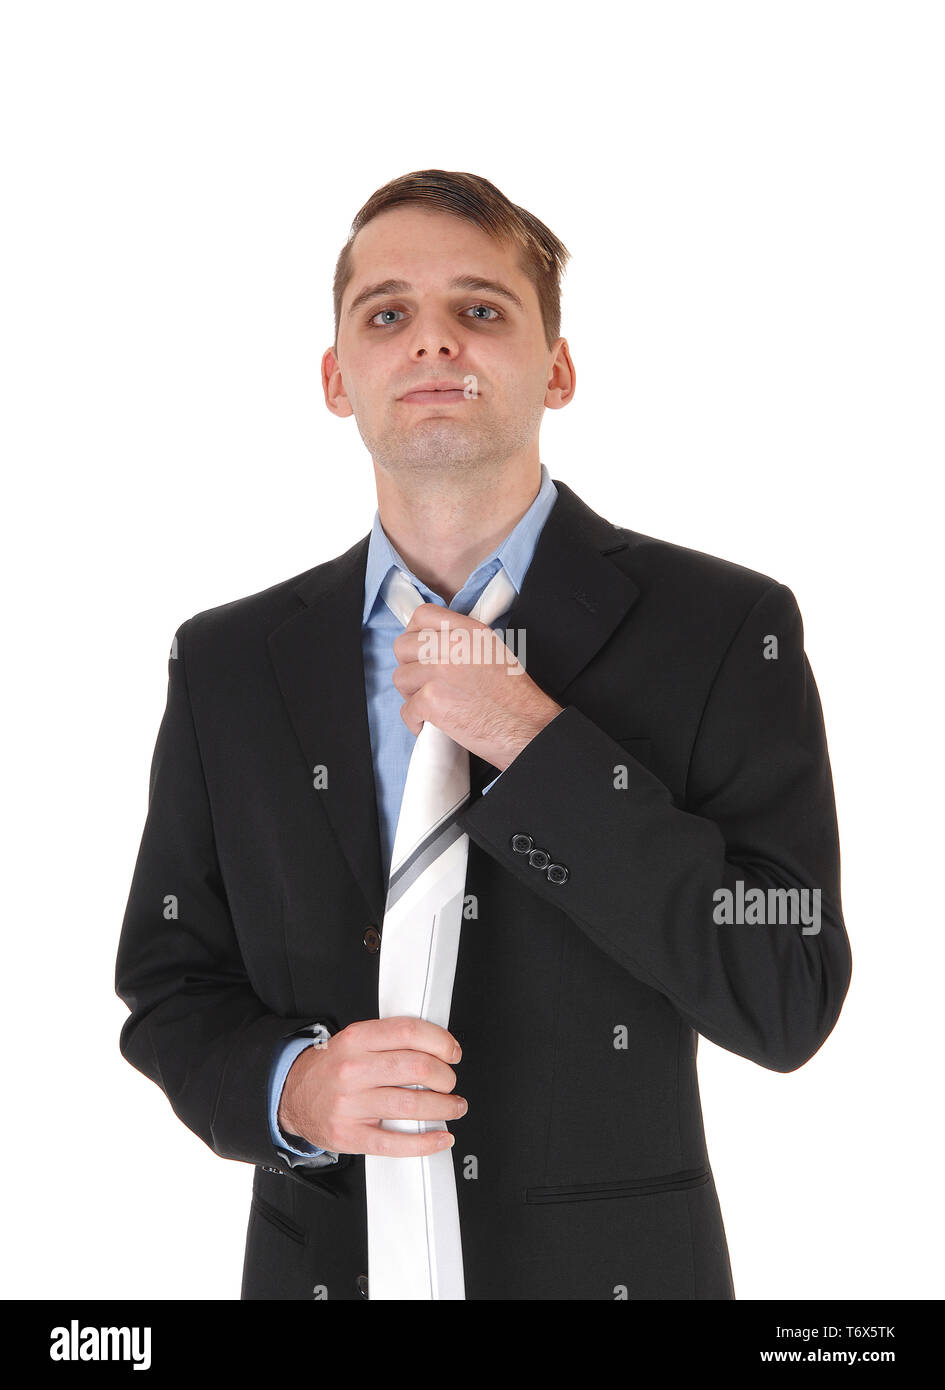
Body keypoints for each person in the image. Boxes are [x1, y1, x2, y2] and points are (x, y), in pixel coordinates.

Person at [115, 169, 851, 1301]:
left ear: (556, 367)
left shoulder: (726, 629)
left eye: (483, 308)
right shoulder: (228, 662)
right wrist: (289, 1090)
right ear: (336, 376)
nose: (433, 342)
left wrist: (536, 741)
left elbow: (787, 986)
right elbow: (170, 982)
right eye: (388, 313)